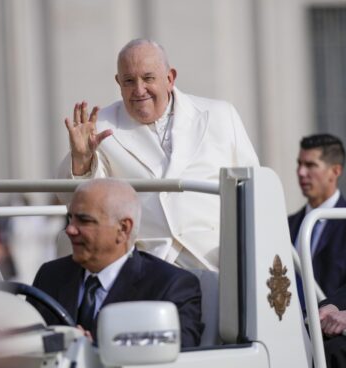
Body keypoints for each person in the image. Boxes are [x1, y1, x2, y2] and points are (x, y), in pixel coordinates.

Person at [57, 39, 259, 271]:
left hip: (217, 257)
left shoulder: (220, 115)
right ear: (118, 83)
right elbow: (75, 202)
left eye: (148, 78)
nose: (139, 90)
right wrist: (82, 160)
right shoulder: (101, 125)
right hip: (150, 263)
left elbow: (254, 189)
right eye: (129, 81)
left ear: (170, 78)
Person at [29, 178, 203, 347]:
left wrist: (95, 352)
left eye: (84, 220)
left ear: (123, 229)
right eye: (70, 218)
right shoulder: (51, 275)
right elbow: (24, 342)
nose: (70, 229)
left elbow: (179, 355)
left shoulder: (170, 287)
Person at [288, 134, 346, 301]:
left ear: (335, 171)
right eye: (299, 164)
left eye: (310, 165)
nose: (301, 172)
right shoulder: (286, 225)